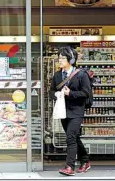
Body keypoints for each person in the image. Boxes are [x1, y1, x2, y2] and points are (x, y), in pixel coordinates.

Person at [49, 46, 92, 176]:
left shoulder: (81, 74)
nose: (59, 60)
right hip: (63, 111)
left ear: (71, 60)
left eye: (63, 58)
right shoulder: (57, 75)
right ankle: (85, 161)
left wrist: (70, 93)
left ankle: (69, 166)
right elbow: (51, 91)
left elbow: (86, 92)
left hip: (77, 110)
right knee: (74, 137)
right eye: (59, 57)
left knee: (70, 137)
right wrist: (56, 95)